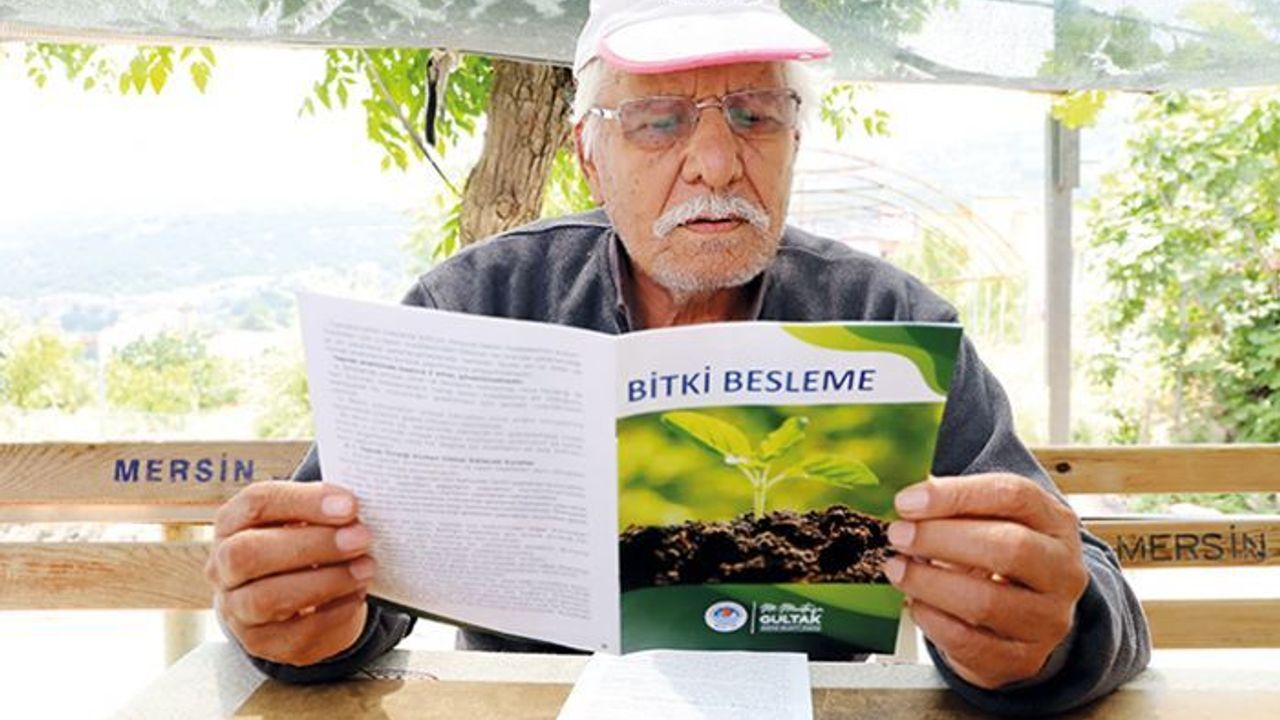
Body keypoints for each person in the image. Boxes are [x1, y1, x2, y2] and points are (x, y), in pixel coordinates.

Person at [206, 0, 1151, 714]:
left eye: (755, 116)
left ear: (793, 139)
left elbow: (1096, 596)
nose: (714, 162)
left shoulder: (885, 319)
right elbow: (339, 591)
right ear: (589, 155)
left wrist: (1049, 636)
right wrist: (297, 620)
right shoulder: (477, 304)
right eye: (658, 121)